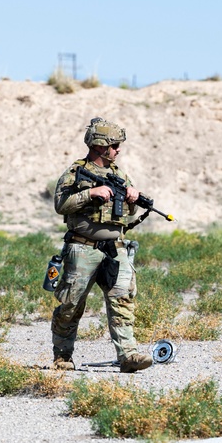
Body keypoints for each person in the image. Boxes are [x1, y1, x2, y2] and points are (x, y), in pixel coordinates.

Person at [51, 117, 154, 374]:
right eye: (115, 145)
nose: (119, 150)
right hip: (82, 248)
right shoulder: (76, 173)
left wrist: (131, 199)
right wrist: (90, 194)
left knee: (123, 300)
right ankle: (62, 357)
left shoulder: (118, 174)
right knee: (71, 304)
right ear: (100, 145)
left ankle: (128, 355)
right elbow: (60, 205)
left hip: (115, 248)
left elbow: (124, 215)